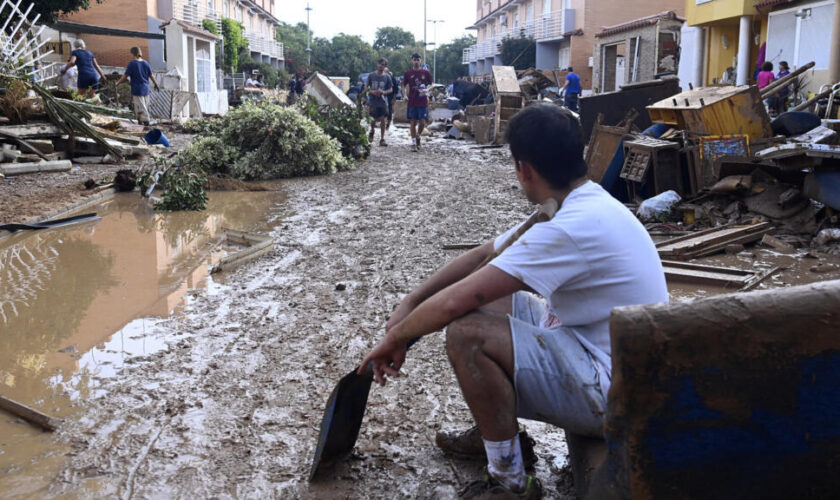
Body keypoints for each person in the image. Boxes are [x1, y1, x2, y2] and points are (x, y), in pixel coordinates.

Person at [358, 104, 668, 499]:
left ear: (524, 169)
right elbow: (480, 256)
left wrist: (397, 337)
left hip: (615, 394)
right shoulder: (579, 203)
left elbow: (456, 302)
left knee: (467, 333)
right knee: (488, 303)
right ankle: (501, 436)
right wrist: (411, 301)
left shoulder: (570, 227)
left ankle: (510, 482)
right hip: (605, 356)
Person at [116, 46, 159, 126]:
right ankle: (140, 122)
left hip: (137, 89)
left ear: (133, 54)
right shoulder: (146, 63)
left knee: (141, 106)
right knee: (142, 106)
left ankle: (146, 121)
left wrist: (118, 83)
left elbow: (125, 76)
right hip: (146, 88)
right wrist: (156, 84)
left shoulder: (132, 64)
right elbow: (151, 75)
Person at [403, 53, 433, 152]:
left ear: (421, 61)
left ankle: (418, 136)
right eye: (414, 59)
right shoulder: (408, 73)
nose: (416, 61)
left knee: (422, 122)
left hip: (423, 101)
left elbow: (432, 84)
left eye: (418, 60)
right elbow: (403, 85)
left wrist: (427, 90)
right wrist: (405, 95)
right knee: (412, 122)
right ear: (412, 61)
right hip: (412, 101)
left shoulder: (426, 73)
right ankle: (413, 143)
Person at [365, 58, 393, 147]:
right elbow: (366, 87)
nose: (382, 66)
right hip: (373, 101)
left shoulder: (387, 77)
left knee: (383, 120)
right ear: (377, 64)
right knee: (372, 119)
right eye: (381, 64)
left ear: (385, 66)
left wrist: (384, 92)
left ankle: (382, 138)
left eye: (384, 64)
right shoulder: (371, 75)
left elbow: (391, 89)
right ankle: (372, 130)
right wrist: (372, 92)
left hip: (382, 101)